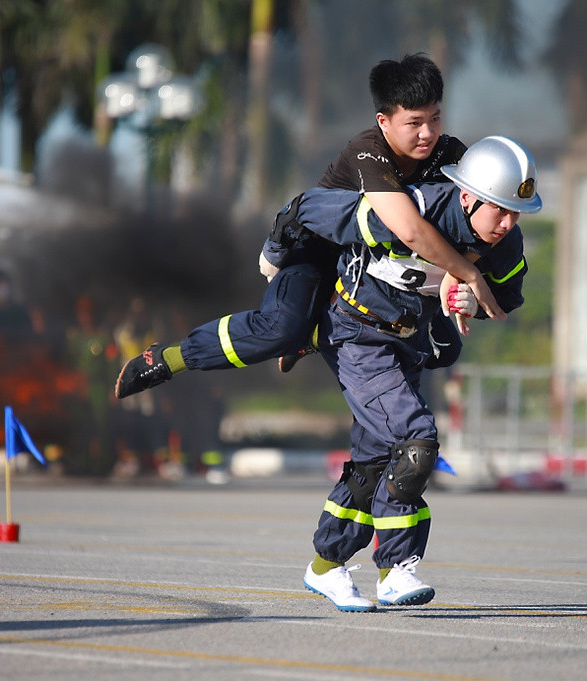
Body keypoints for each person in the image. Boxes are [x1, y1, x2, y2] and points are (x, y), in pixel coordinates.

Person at [115, 54, 502, 399]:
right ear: (384, 122)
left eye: (435, 119)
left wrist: (459, 273)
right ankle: (168, 358)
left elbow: (486, 221)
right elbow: (408, 229)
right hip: (320, 254)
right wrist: (467, 273)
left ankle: (316, 335)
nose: (428, 133)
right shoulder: (367, 151)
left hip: (380, 271)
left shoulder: (452, 154)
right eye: (414, 123)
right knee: (280, 330)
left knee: (445, 351)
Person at [294, 136, 541, 611]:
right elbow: (321, 214)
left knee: (373, 462)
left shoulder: (506, 242)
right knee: (416, 439)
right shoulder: (415, 208)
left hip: (408, 346)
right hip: (358, 335)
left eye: (516, 213)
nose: (508, 223)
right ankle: (395, 569)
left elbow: (506, 299)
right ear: (467, 197)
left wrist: (475, 301)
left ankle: (326, 565)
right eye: (499, 210)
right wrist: (281, 246)